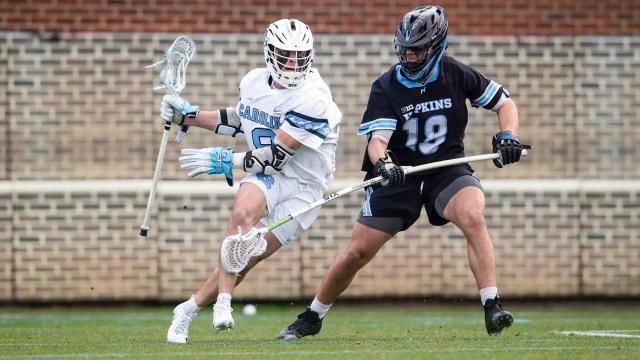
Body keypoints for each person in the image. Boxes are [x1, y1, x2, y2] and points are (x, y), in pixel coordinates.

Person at [278, 5, 526, 339]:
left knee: (472, 215)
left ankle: (492, 305)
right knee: (357, 251)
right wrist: (385, 164)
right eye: (405, 48)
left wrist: (508, 136)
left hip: (446, 170)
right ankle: (312, 316)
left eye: (418, 50)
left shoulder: (457, 74)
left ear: (437, 46)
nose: (409, 56)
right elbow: (376, 141)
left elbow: (505, 103)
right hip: (398, 175)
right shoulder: (385, 86)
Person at [163, 19, 342, 344]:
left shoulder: (315, 98)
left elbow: (276, 154)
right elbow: (241, 121)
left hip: (303, 187)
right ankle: (223, 302)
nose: (293, 63)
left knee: (247, 255)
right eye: (286, 55)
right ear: (270, 53)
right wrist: (189, 116)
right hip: (271, 176)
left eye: (299, 56)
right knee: (240, 216)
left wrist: (224, 161)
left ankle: (188, 309)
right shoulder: (254, 82)